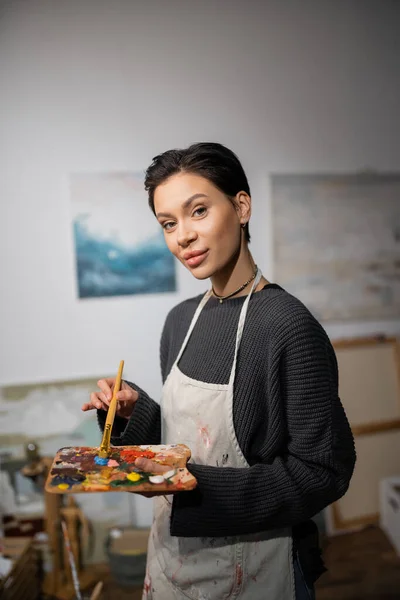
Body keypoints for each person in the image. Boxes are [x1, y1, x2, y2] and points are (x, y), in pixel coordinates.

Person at [82, 142, 356, 600]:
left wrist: (191, 486)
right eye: (168, 224)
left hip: (257, 569)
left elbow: (324, 471)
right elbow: (183, 441)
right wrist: (134, 414)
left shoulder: (287, 326)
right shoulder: (180, 322)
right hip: (172, 561)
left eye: (199, 211)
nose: (182, 236)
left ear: (241, 206)